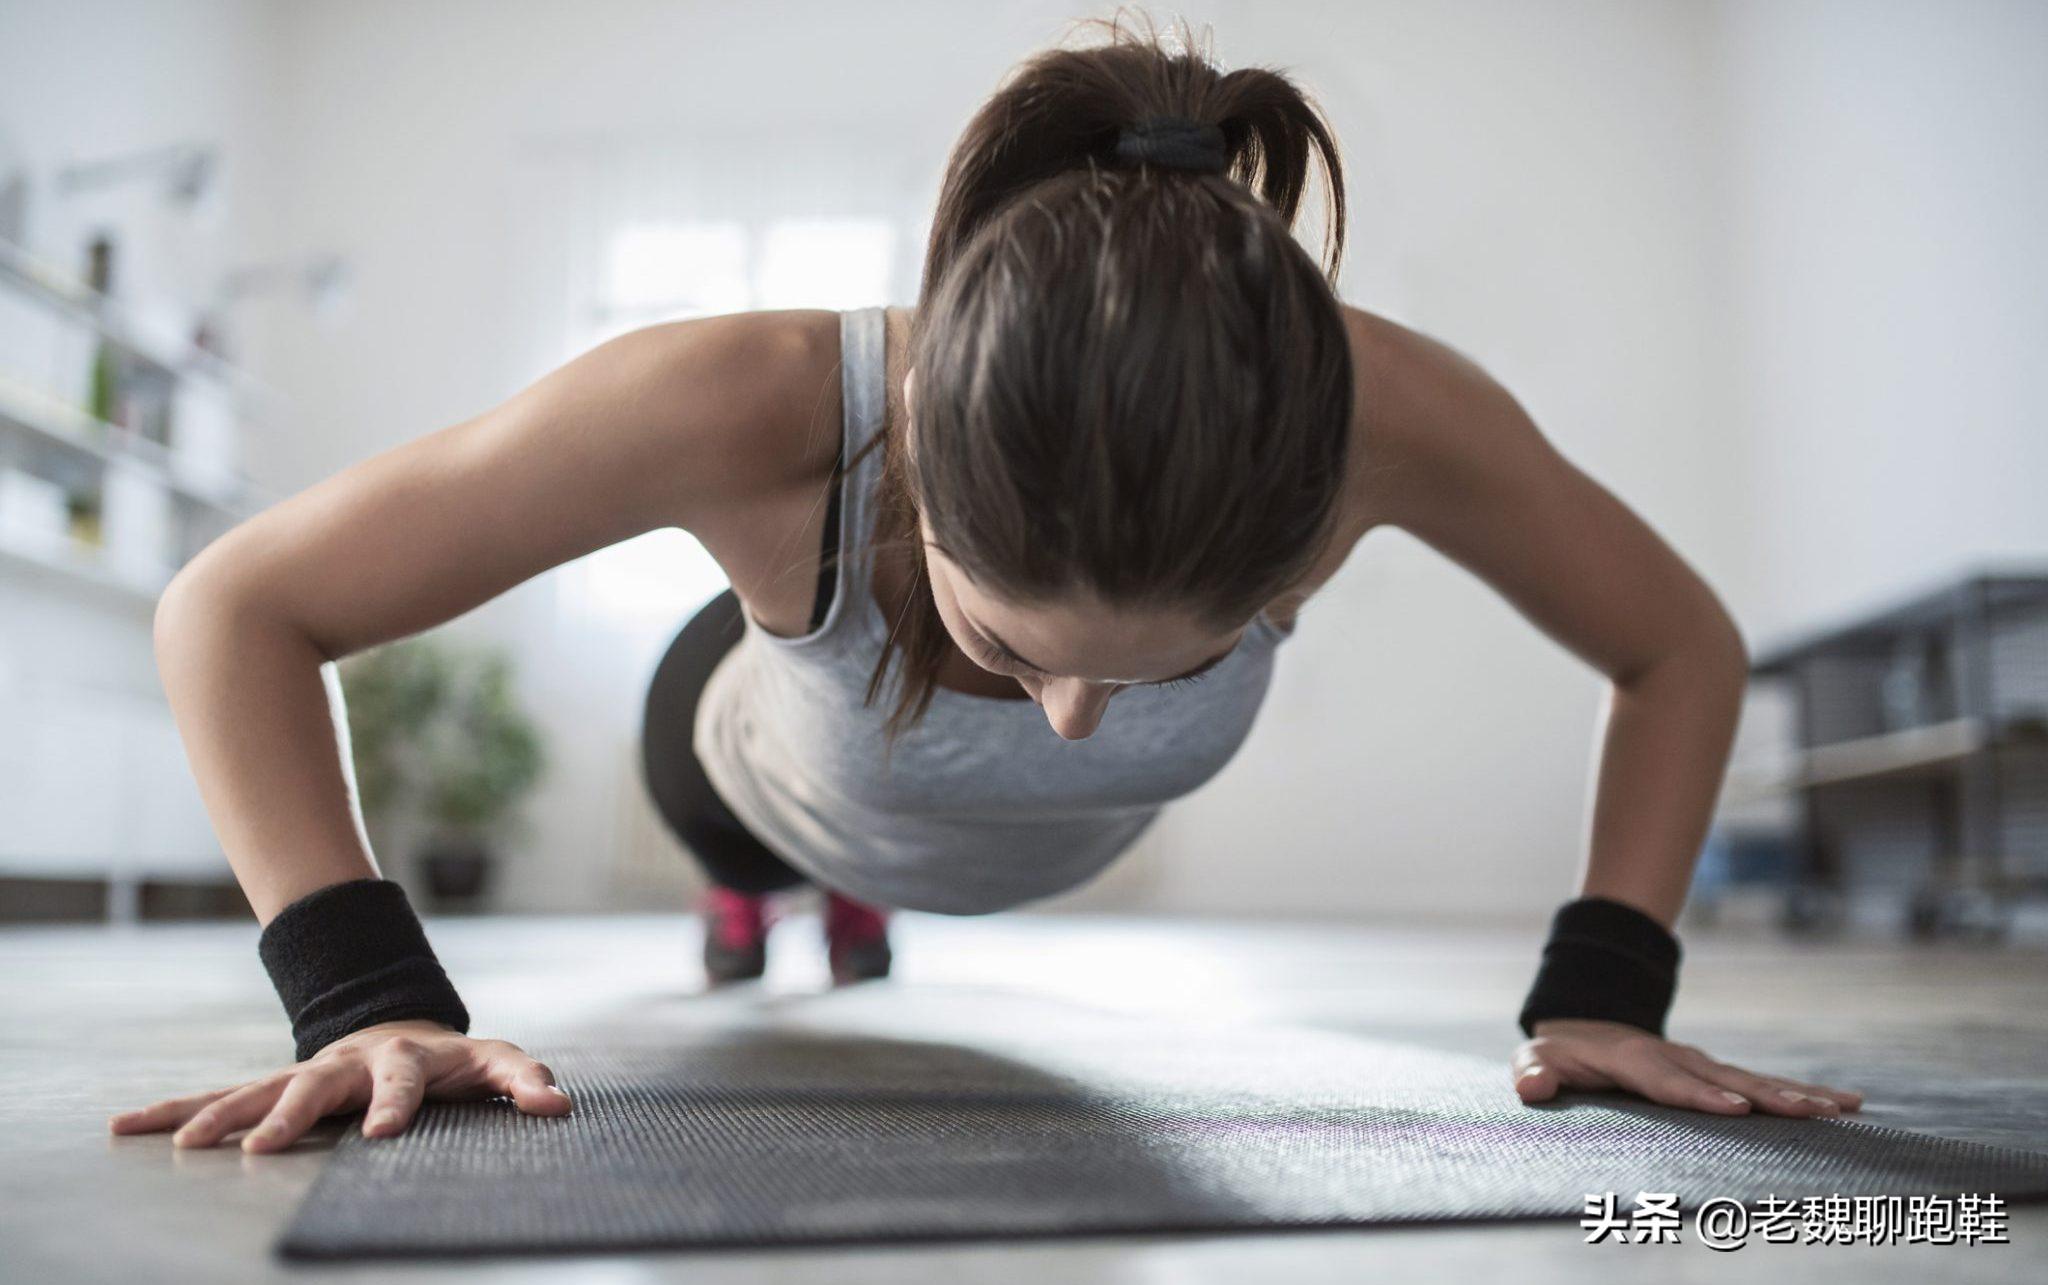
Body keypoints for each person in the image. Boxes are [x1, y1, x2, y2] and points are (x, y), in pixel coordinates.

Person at [110, 18, 1861, 1155]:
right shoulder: (751, 399)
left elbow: (1676, 643)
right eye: (1010, 645)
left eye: (1161, 671)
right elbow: (236, 605)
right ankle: (770, 900)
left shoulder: (1373, 416)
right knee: (747, 823)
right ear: (928, 453)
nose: (1084, 721)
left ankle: (854, 901)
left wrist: (1606, 984)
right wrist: (363, 993)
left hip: (964, 838)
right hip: (750, 750)